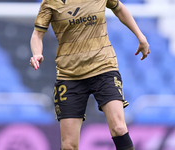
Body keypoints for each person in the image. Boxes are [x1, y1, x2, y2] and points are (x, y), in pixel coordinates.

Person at [30, 0, 150, 149]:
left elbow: (119, 8)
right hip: (69, 76)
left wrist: (140, 36)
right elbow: (37, 34)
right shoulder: (50, 2)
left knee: (119, 128)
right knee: (69, 145)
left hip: (104, 68)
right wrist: (37, 54)